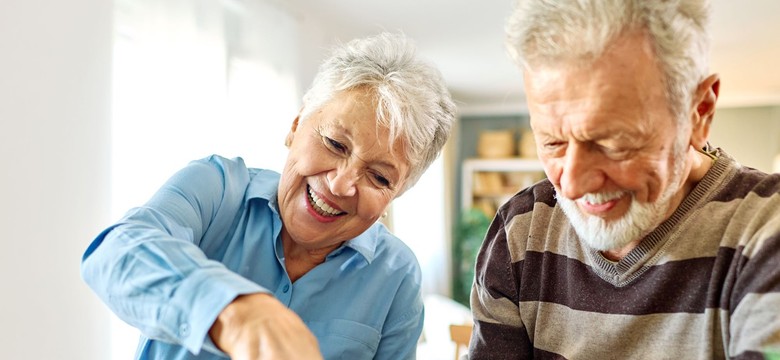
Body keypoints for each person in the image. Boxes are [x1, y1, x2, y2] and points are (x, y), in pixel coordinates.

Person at [81, 32, 456, 360]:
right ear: (296, 126)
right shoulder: (216, 188)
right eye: (335, 144)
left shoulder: (397, 277)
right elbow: (116, 251)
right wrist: (235, 312)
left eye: (377, 176)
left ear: (398, 192)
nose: (342, 185)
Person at [469, 0, 780, 358]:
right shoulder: (520, 231)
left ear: (698, 114)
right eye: (553, 142)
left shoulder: (766, 230)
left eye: (614, 143)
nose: (570, 185)